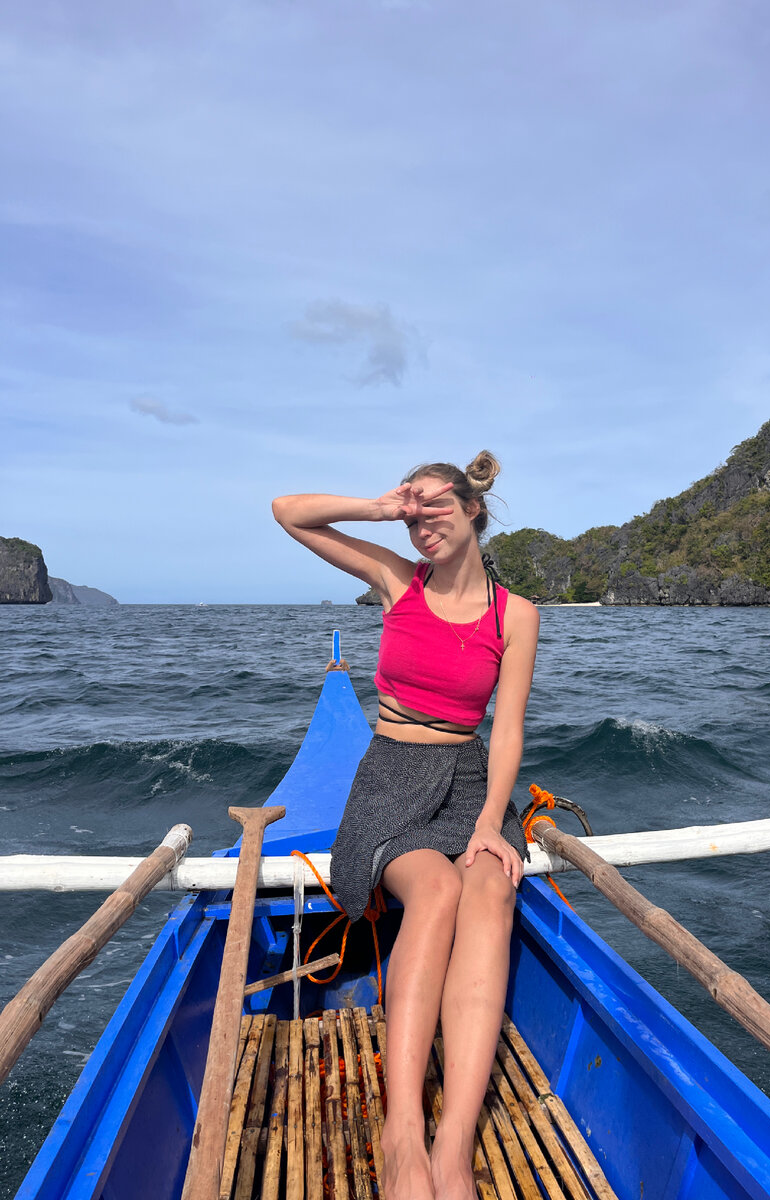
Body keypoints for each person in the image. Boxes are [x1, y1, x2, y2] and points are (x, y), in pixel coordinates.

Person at [272, 451, 539, 1200]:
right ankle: (402, 1135)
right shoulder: (397, 579)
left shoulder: (515, 615)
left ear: (473, 508)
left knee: (490, 886)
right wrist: (383, 507)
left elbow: (508, 731)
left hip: (471, 781)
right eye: (412, 513)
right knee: (437, 890)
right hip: (390, 777)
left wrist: (490, 822)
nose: (422, 523)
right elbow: (288, 512)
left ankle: (452, 1144)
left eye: (435, 506)